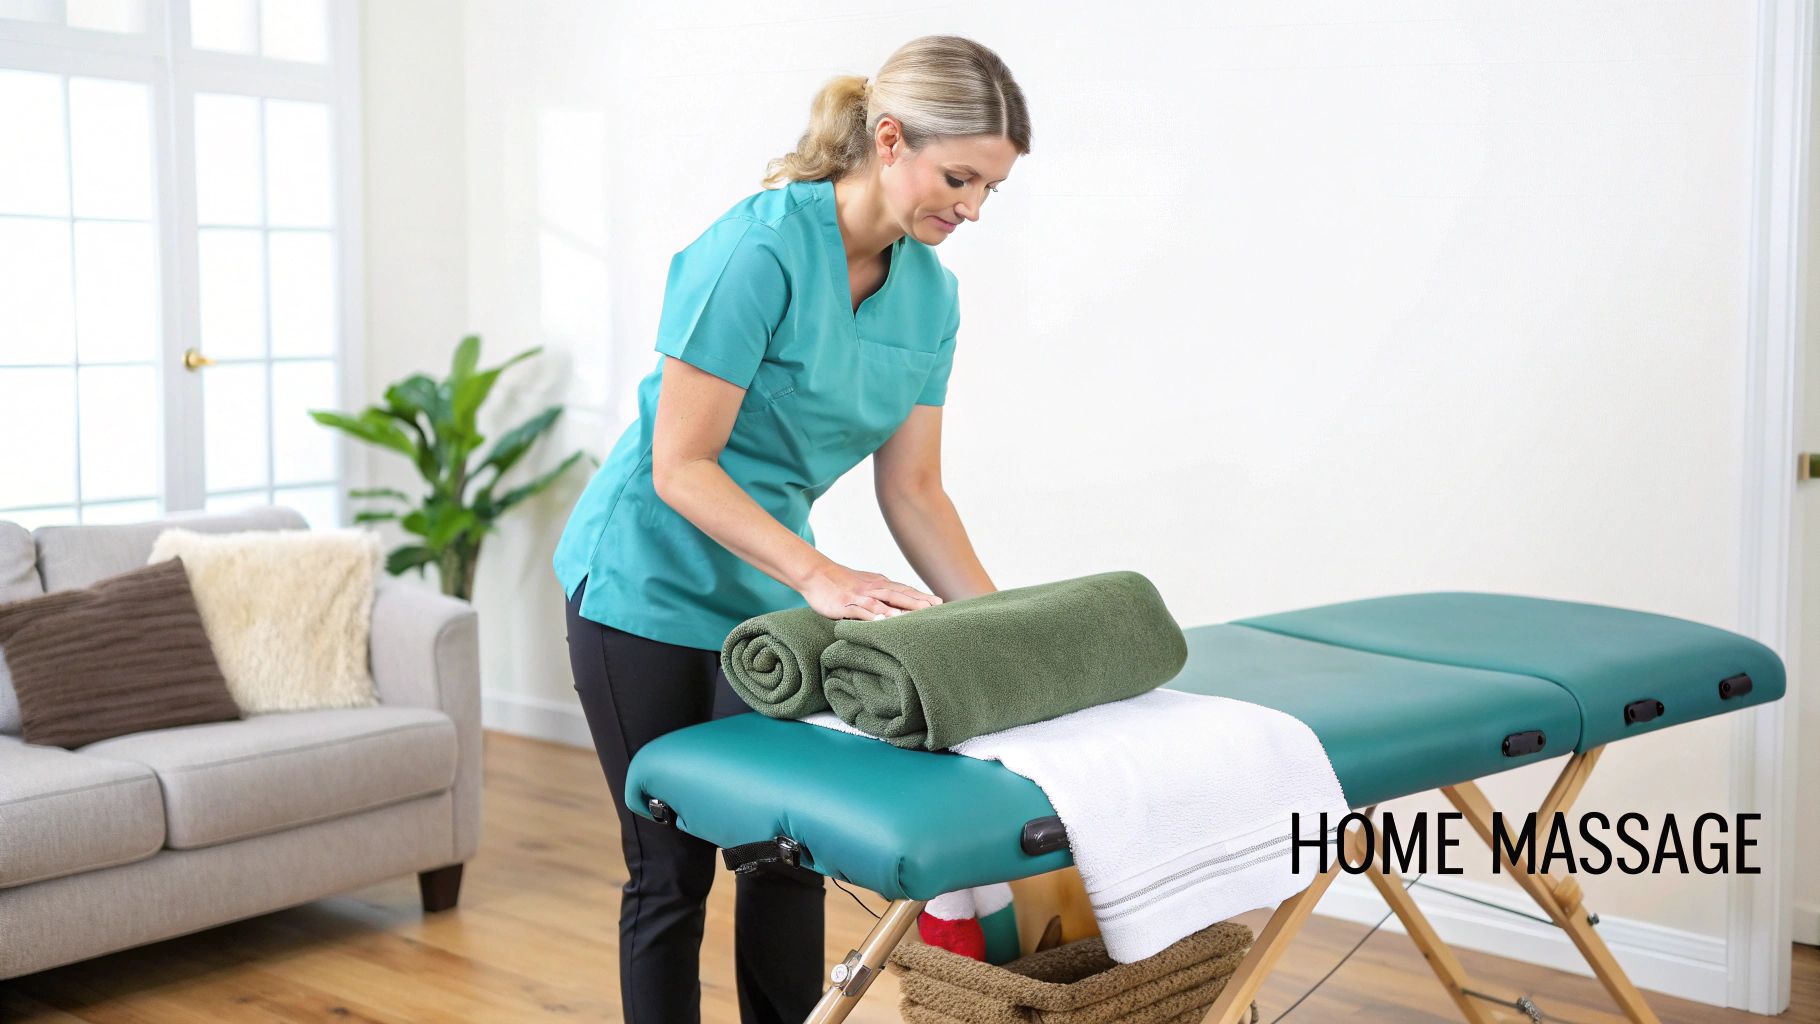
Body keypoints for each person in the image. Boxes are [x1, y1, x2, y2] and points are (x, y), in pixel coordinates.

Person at [552, 32, 1032, 1024]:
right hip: (642, 582)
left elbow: (915, 493)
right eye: (958, 178)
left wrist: (1000, 629)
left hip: (765, 603)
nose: (971, 209)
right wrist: (818, 577)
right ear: (889, 140)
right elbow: (678, 465)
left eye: (989, 189)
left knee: (784, 857)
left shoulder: (931, 294)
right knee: (669, 869)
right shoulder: (757, 248)